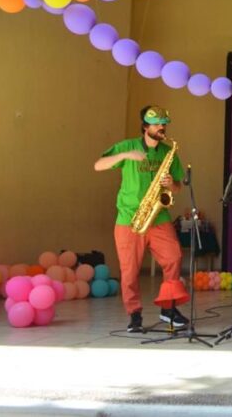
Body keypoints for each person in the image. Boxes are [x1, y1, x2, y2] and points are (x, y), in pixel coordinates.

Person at [94, 105, 189, 332]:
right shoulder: (127, 146)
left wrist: (171, 185)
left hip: (158, 215)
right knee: (129, 270)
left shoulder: (168, 151)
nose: (161, 128)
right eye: (157, 124)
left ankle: (168, 308)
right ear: (145, 126)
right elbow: (98, 165)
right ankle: (134, 314)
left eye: (164, 124)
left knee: (174, 257)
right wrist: (125, 155)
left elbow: (177, 187)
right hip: (130, 218)